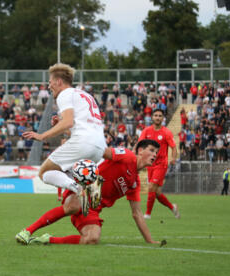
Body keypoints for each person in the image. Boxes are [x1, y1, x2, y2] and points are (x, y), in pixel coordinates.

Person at [15, 140, 162, 245]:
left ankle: (47, 239)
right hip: (82, 189)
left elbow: (137, 213)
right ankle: (27, 231)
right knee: (73, 206)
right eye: (151, 150)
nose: (154, 154)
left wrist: (150, 241)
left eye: (156, 152)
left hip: (92, 209)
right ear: (140, 150)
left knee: (92, 239)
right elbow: (101, 151)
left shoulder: (134, 183)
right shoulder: (127, 156)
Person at [23, 63, 106, 214]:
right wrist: (61, 125)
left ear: (59, 82)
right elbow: (78, 124)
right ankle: (88, 186)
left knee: (44, 173)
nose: (49, 86)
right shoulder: (86, 95)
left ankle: (81, 187)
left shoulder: (65, 94)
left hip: (83, 143)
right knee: (66, 175)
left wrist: (42, 135)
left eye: (50, 82)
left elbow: (68, 121)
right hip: (99, 147)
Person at [137, 108, 179, 220]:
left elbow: (174, 147)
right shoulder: (146, 131)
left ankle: (147, 214)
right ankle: (172, 207)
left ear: (163, 118)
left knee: (151, 187)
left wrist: (173, 158)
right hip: (150, 165)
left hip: (161, 164)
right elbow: (140, 145)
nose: (158, 117)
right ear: (152, 117)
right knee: (156, 192)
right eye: (156, 115)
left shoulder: (166, 132)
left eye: (160, 116)